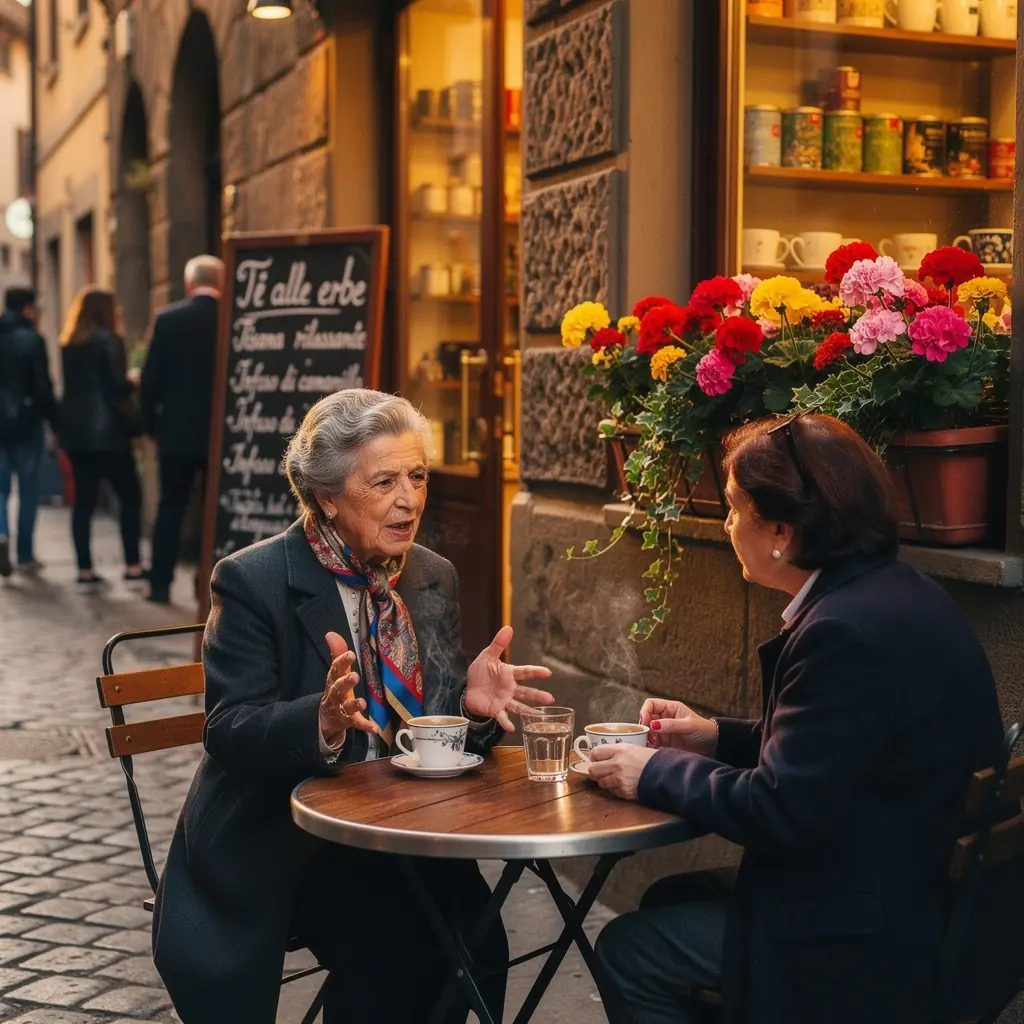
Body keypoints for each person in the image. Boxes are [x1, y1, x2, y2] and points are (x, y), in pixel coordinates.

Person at [590, 413, 1009, 1024]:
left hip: (872, 938)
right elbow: (842, 754)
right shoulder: (893, 592)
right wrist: (713, 737)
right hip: (909, 894)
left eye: (735, 508)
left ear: (782, 530)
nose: (729, 524)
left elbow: (781, 809)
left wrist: (653, 770)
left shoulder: (841, 631)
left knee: (629, 951)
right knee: (670, 898)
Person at [152, 388, 555, 1024]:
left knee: (478, 939)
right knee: (393, 951)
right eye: (385, 481)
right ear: (328, 496)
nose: (410, 499)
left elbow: (435, 736)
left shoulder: (429, 575)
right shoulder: (252, 580)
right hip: (285, 836)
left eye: (418, 476)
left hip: (402, 832)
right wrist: (319, 721)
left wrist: (472, 711)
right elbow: (228, 730)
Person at [141, 254, 223, 604]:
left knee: (170, 507)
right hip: (227, 434)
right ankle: (216, 583)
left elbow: (150, 382)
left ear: (190, 284)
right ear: (222, 283)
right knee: (221, 509)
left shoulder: (168, 319)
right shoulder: (235, 318)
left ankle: (160, 584)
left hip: (176, 433)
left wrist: (150, 427)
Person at [57, 287, 145, 592]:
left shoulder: (69, 343)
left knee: (82, 502)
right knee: (131, 497)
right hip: (108, 434)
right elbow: (116, 387)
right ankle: (132, 566)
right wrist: (133, 378)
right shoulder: (109, 339)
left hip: (76, 434)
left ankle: (85, 570)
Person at [0, 287, 56, 577]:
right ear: (26, 308)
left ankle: (0, 534)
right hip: (26, 423)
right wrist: (53, 422)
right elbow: (42, 386)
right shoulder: (32, 338)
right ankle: (24, 555)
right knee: (28, 490)